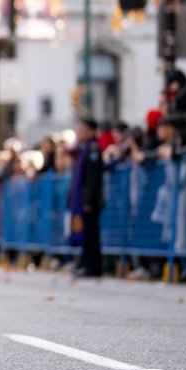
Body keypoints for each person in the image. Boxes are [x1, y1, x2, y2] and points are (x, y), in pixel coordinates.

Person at [70, 117, 105, 277]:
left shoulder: (93, 149)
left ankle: (93, 266)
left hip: (90, 201)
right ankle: (85, 263)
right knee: (86, 233)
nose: (79, 133)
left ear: (90, 131)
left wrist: (89, 200)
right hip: (83, 199)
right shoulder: (84, 149)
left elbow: (93, 178)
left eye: (82, 130)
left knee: (92, 233)